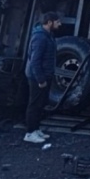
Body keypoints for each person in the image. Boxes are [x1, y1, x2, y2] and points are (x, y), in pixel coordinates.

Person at [23, 11, 61, 144]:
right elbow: (35, 60)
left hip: (45, 75)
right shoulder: (40, 37)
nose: (59, 24)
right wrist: (40, 79)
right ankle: (29, 132)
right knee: (34, 104)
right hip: (37, 77)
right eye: (57, 22)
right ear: (49, 22)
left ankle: (36, 129)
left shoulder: (48, 36)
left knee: (40, 104)